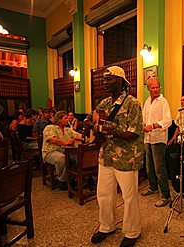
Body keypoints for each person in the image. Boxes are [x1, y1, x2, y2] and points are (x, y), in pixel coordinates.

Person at [91, 66, 144, 247]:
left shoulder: (132, 103)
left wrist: (111, 131)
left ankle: (131, 231)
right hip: (106, 156)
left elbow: (134, 133)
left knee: (129, 197)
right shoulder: (104, 103)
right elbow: (96, 118)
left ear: (121, 81)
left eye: (109, 79)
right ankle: (107, 226)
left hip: (126, 157)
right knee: (104, 194)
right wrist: (91, 124)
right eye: (104, 80)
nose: (105, 82)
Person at [141, 77, 172, 207]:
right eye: (152, 87)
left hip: (158, 139)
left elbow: (168, 120)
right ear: (148, 88)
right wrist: (143, 125)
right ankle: (153, 187)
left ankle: (166, 195)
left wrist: (153, 126)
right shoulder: (147, 101)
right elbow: (144, 118)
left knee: (160, 168)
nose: (155, 89)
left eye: (157, 87)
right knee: (149, 166)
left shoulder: (163, 101)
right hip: (147, 138)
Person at [42, 111, 83, 190]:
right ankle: (61, 181)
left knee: (76, 156)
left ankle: (72, 178)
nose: (68, 120)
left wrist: (86, 136)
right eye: (66, 118)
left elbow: (77, 135)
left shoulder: (67, 129)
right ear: (59, 119)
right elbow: (52, 140)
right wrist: (65, 142)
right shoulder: (50, 128)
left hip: (64, 151)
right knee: (62, 158)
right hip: (50, 152)